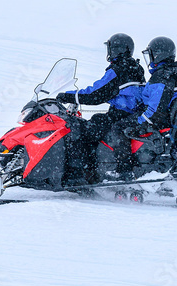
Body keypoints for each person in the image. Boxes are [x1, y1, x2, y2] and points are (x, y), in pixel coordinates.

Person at [55, 34, 145, 185]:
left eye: (110, 48)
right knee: (96, 119)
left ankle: (86, 174)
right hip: (131, 113)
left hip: (120, 115)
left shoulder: (118, 70)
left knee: (80, 130)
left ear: (116, 49)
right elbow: (120, 93)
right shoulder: (135, 67)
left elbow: (95, 95)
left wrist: (67, 96)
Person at [106, 36, 177, 179]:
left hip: (160, 121)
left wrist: (140, 121)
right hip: (176, 124)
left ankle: (124, 170)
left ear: (158, 54)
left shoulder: (161, 77)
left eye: (151, 55)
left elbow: (156, 109)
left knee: (118, 128)